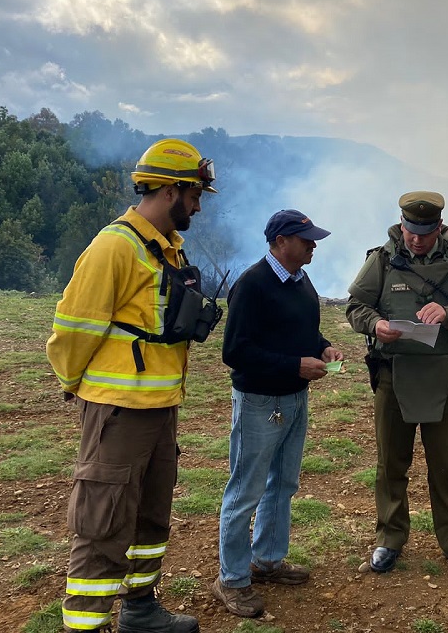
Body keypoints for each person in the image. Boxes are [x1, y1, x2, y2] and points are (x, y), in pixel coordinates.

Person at [47, 139, 217, 633]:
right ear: (168, 190)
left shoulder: (167, 247)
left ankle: (140, 609)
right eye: (194, 194)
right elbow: (74, 329)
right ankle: (87, 625)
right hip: (118, 411)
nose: (199, 205)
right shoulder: (113, 246)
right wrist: (72, 383)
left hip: (160, 407)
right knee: (103, 522)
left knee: (149, 515)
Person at [346, 191, 448, 579]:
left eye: (425, 233)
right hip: (394, 376)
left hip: (445, 377)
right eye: (411, 231)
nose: (416, 239)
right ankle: (389, 539)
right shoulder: (381, 259)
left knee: (446, 464)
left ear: (438, 227)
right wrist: (375, 324)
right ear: (402, 224)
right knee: (391, 463)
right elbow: (356, 307)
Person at [212, 209, 343, 618]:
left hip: (294, 398)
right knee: (245, 489)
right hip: (259, 402)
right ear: (281, 241)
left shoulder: (300, 279)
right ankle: (231, 579)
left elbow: (298, 330)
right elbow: (234, 352)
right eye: (306, 240)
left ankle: (267, 560)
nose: (314, 246)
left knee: (283, 483)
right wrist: (293, 366)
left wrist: (322, 347)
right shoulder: (252, 285)